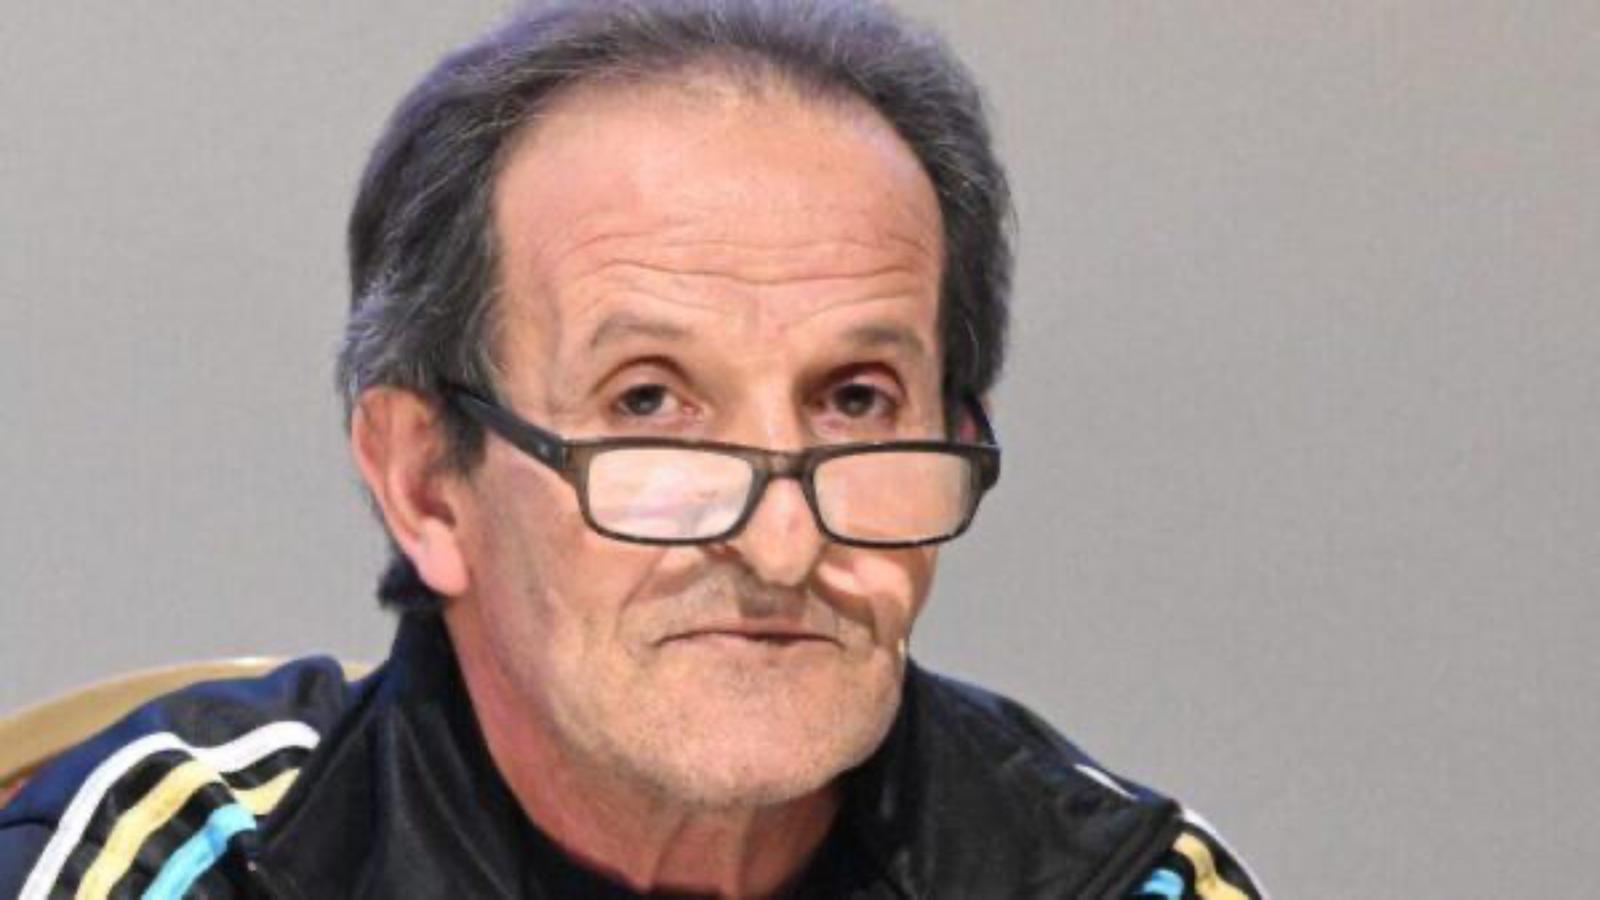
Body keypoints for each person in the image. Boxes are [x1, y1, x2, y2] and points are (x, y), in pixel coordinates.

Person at [0, 1, 1264, 896]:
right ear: (426, 483)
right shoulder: (183, 863)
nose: (782, 545)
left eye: (856, 401)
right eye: (651, 402)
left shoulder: (1117, 884)